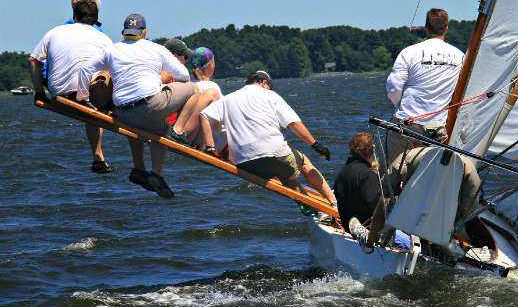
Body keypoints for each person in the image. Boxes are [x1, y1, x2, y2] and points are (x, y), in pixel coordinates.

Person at [77, 13, 201, 199]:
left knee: (159, 129)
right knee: (193, 89)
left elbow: (85, 69)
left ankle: (140, 169)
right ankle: (178, 132)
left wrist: (82, 97)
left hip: (123, 113)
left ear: (123, 32)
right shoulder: (155, 48)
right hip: (151, 105)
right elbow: (183, 75)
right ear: (144, 33)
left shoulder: (111, 50)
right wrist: (164, 87)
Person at [200, 70, 337, 209]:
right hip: (272, 154)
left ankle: (310, 209)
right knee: (304, 162)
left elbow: (204, 116)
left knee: (287, 176)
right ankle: (334, 202)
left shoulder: (228, 99)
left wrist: (210, 147)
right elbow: (294, 124)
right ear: (264, 82)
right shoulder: (270, 95)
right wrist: (316, 145)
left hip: (242, 162)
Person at [29, 0, 114, 174]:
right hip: (90, 93)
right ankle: (118, 111)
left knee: (92, 112)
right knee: (105, 79)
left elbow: (33, 60)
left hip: (59, 92)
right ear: (96, 19)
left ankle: (98, 157)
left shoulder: (54, 32)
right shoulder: (104, 38)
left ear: (74, 16)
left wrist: (39, 92)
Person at [385, 8, 464, 165]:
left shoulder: (409, 52)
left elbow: (393, 88)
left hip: (406, 124)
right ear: (446, 29)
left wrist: (400, 108)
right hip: (437, 129)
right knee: (429, 175)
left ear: (426, 27)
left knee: (392, 175)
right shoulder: (460, 57)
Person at [335, 132, 410, 253]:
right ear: (372, 151)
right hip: (368, 230)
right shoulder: (368, 175)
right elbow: (376, 207)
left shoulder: (342, 173)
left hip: (347, 224)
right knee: (412, 244)